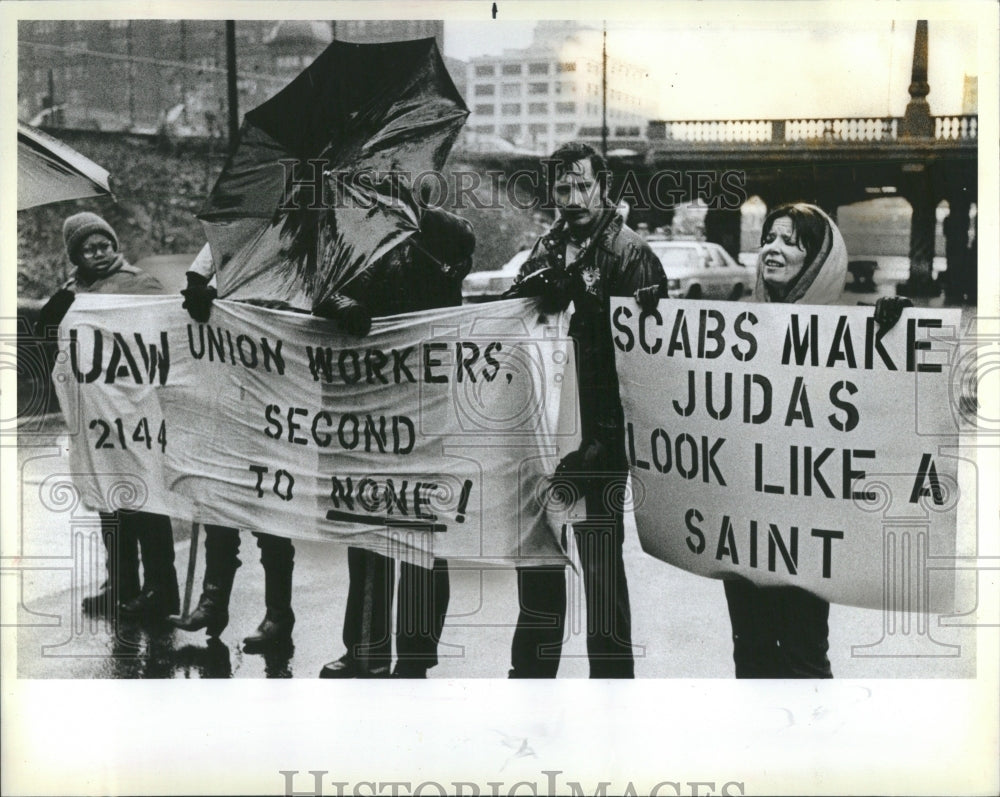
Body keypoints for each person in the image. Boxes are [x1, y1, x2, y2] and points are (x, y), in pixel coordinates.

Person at [637, 202, 908, 678]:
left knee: (804, 655)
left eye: (790, 242)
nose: (773, 251)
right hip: (743, 529)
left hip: (807, 529)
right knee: (752, 654)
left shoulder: (847, 329)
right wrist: (650, 322)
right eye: (769, 239)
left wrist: (893, 328)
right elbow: (691, 395)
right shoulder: (733, 325)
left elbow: (885, 415)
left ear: (819, 259)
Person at [503, 142, 666, 678]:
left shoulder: (629, 253)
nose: (571, 198)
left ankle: (611, 691)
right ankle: (530, 686)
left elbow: (642, 367)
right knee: (541, 569)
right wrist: (527, 289)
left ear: (602, 187)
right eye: (562, 188)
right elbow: (512, 323)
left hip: (598, 441)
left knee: (601, 576)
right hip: (545, 439)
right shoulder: (546, 248)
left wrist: (603, 443)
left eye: (581, 186)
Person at [317, 204, 475, 679]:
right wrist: (338, 304)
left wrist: (416, 230)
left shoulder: (431, 231)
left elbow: (457, 256)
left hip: (422, 414)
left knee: (421, 533)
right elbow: (316, 291)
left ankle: (415, 653)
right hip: (368, 413)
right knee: (367, 531)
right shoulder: (351, 237)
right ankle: (365, 648)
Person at [36, 212, 180, 621]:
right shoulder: (73, 290)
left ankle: (160, 590)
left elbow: (168, 335)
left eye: (105, 245)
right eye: (89, 248)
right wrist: (63, 302)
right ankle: (120, 585)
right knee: (107, 500)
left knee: (144, 496)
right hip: (96, 416)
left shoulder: (139, 284)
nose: (100, 254)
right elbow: (48, 332)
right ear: (76, 255)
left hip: (135, 411)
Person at [171, 244, 297, 652]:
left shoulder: (302, 237)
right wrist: (198, 287)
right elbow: (206, 262)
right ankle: (213, 601)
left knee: (270, 514)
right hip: (228, 391)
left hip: (276, 400)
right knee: (218, 502)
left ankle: (278, 613)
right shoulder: (233, 232)